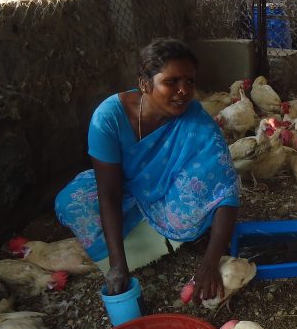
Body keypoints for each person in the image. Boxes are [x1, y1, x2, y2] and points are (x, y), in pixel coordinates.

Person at [55, 38, 240, 301]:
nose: (183, 91)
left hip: (169, 193)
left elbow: (226, 191)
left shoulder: (198, 123)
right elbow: (108, 191)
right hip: (125, 187)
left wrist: (211, 263)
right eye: (171, 81)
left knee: (191, 206)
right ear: (144, 84)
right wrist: (117, 266)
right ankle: (130, 244)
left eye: (189, 82)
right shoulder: (108, 118)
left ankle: (160, 233)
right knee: (70, 204)